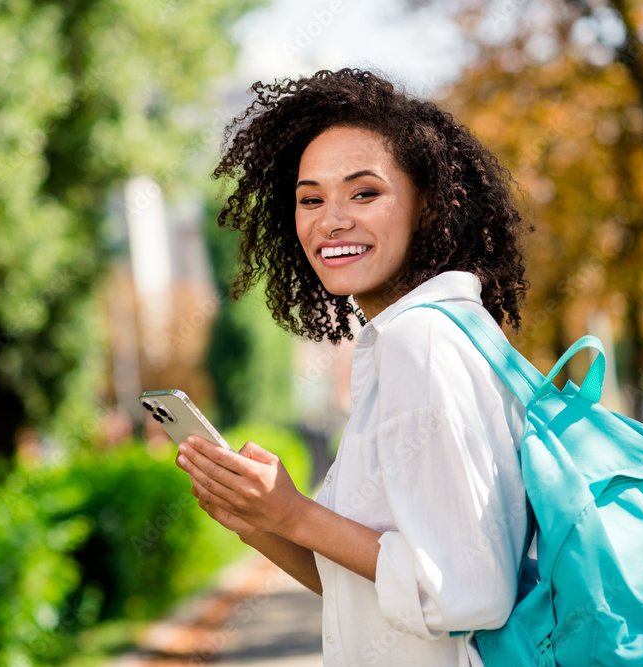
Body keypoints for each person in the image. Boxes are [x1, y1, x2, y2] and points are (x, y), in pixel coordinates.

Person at [175, 67, 531, 666]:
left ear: (429, 205)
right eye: (310, 198)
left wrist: (295, 511)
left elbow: (467, 594)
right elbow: (372, 591)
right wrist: (258, 520)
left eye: (364, 193)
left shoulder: (419, 343)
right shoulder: (423, 338)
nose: (331, 219)